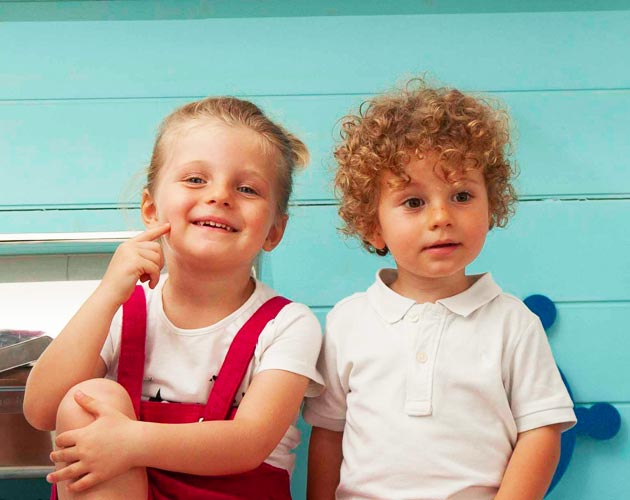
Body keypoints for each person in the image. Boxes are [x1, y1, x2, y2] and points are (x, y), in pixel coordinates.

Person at [23, 96, 324, 500]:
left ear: (274, 230)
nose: (220, 196)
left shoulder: (288, 324)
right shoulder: (124, 311)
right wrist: (107, 293)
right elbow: (41, 410)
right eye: (196, 180)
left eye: (247, 188)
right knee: (90, 398)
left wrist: (130, 442)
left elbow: (250, 442)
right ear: (150, 208)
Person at [303, 79, 576, 500]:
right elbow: (328, 435)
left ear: (492, 206)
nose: (442, 216)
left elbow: (541, 431)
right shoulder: (348, 321)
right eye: (413, 202)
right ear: (373, 226)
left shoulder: (513, 322)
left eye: (462, 195)